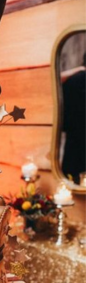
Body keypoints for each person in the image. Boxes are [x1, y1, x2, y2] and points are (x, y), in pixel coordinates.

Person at [61, 53, 86, 184]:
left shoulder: (72, 80)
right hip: (77, 140)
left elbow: (54, 79)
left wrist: (79, 69)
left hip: (73, 143)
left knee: (70, 180)